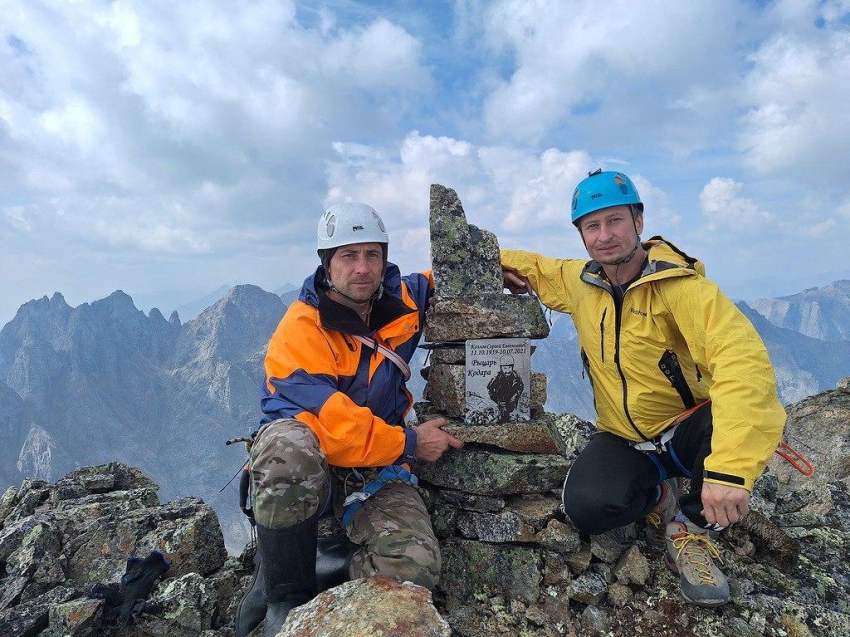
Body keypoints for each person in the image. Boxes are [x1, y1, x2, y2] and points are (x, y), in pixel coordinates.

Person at [500, 169, 786, 607]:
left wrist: (729, 471)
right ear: (581, 235)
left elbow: (742, 364)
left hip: (691, 427)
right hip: (627, 437)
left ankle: (688, 529)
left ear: (638, 220)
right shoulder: (581, 285)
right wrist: (443, 272)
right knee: (587, 509)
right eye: (591, 226)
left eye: (614, 220)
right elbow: (533, 266)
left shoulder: (684, 289)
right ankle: (658, 493)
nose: (604, 236)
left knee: (735, 436)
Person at [237, 202, 463, 636]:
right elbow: (333, 425)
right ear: (326, 263)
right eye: (348, 255)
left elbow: (452, 274)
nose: (362, 268)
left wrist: (503, 268)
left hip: (377, 467)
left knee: (411, 567)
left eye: (372, 254)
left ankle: (334, 595)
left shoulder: (403, 300)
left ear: (384, 259)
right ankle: (284, 596)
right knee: (287, 449)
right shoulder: (302, 328)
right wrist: (411, 443)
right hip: (314, 463)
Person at [486, 354, 525, 422]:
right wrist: (497, 400)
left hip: (512, 402)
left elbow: (520, 387)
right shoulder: (497, 377)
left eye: (509, 367)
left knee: (513, 418)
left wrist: (513, 398)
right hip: (501, 401)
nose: (507, 371)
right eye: (505, 368)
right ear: (501, 368)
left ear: (512, 367)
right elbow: (489, 388)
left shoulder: (516, 377)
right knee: (501, 418)